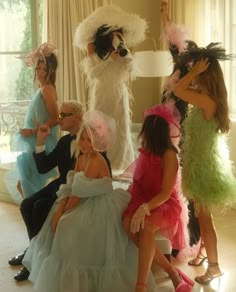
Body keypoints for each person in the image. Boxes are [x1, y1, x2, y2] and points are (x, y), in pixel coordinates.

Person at [22, 110, 157, 292]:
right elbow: (71, 187)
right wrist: (61, 206)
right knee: (57, 218)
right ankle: (67, 273)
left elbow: (78, 194)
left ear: (96, 142)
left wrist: (62, 213)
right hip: (83, 199)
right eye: (82, 139)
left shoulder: (95, 160)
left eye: (89, 140)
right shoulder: (82, 158)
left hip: (100, 204)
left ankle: (85, 279)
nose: (85, 144)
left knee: (67, 224)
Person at [173, 43, 236, 284]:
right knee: (202, 217)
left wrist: (192, 72)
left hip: (204, 168)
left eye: (200, 74)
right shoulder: (208, 99)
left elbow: (179, 90)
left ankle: (216, 267)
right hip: (202, 162)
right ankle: (202, 253)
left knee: (205, 220)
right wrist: (195, 73)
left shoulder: (207, 102)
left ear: (206, 76)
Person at [122, 104, 194, 292]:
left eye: (145, 131)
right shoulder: (146, 151)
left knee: (145, 227)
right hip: (144, 198)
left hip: (165, 203)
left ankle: (141, 286)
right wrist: (137, 205)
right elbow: (139, 182)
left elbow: (165, 193)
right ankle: (171, 272)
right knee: (127, 224)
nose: (142, 135)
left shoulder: (169, 155)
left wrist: (145, 208)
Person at [8, 101, 83, 281]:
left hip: (75, 189)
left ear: (77, 117)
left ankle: (33, 258)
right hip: (61, 183)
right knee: (26, 204)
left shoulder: (89, 139)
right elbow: (43, 167)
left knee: (40, 207)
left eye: (63, 115)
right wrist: (40, 141)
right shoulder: (65, 141)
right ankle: (32, 251)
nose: (59, 119)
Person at [74, 5, 147, 170]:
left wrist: (126, 54)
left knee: (120, 129)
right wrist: (109, 59)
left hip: (119, 95)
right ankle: (102, 165)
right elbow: (93, 75)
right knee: (101, 130)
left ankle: (120, 164)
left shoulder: (121, 50)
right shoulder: (93, 50)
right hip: (101, 94)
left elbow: (132, 71)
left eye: (118, 32)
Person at [160, 0, 201, 257]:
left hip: (179, 136)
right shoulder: (178, 68)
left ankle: (185, 237)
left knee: (181, 186)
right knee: (168, 183)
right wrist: (165, 14)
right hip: (168, 132)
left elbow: (183, 113)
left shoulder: (190, 82)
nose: (179, 54)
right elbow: (171, 40)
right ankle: (172, 236)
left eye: (185, 54)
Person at [5, 43, 59, 202]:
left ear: (51, 71)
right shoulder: (42, 88)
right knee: (24, 185)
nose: (41, 72)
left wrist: (32, 132)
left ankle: (36, 216)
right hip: (33, 141)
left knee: (28, 185)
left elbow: (56, 119)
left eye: (44, 69)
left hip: (40, 142)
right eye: (38, 68)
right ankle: (35, 217)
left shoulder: (47, 89)